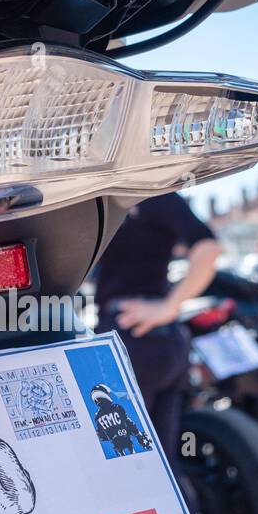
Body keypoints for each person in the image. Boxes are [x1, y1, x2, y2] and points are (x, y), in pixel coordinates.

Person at [93, 191, 221, 467]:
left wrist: (170, 306)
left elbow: (208, 248)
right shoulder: (114, 194)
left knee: (129, 461)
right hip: (161, 342)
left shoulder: (149, 194)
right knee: (161, 462)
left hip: (136, 338)